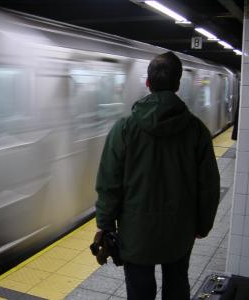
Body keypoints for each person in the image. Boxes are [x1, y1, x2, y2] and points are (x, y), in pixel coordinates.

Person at [94, 51, 220, 300]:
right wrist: (203, 224)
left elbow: (110, 182)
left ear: (148, 83)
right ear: (178, 83)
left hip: (136, 230)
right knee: (177, 284)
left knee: (140, 291)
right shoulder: (197, 130)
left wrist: (105, 224)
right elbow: (208, 185)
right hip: (180, 229)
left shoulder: (124, 129)